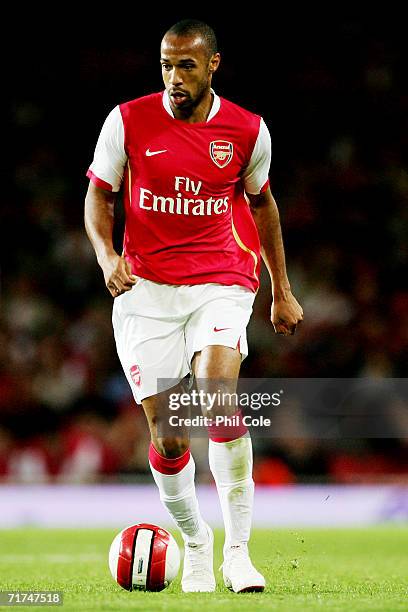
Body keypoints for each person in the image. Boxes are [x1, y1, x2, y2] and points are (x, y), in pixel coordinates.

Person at [84, 18, 303, 593]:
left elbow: (264, 208)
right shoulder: (127, 120)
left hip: (222, 280)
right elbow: (98, 197)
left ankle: (237, 553)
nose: (174, 76)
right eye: (165, 64)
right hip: (146, 292)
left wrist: (281, 288)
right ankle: (197, 543)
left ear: (212, 65)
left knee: (215, 396)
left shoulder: (248, 130)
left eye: (186, 64)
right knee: (169, 436)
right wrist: (108, 257)